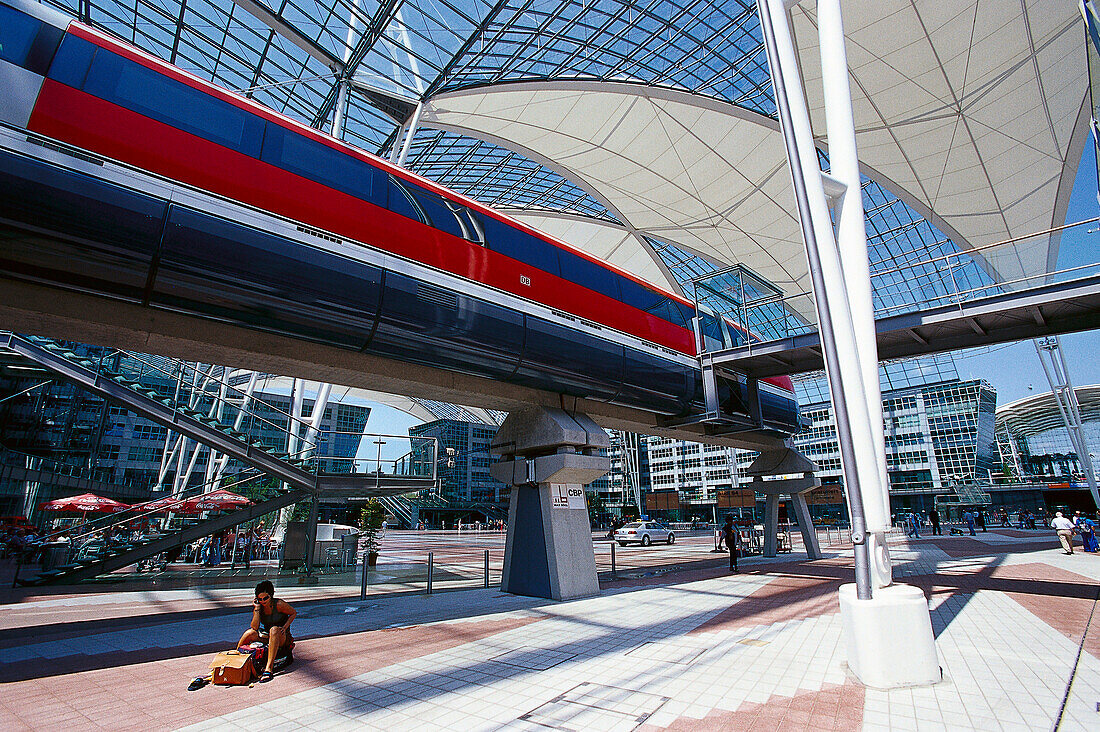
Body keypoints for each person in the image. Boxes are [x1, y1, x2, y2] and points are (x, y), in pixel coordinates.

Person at [237, 581, 296, 682]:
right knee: (250, 633)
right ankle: (235, 658)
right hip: (269, 635)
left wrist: (285, 627)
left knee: (274, 629)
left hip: (282, 636)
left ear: (271, 595)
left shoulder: (279, 604)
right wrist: (257, 609)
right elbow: (254, 627)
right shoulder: (260, 607)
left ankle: (269, 668)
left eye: (265, 598)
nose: (263, 601)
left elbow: (293, 613)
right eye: (260, 599)